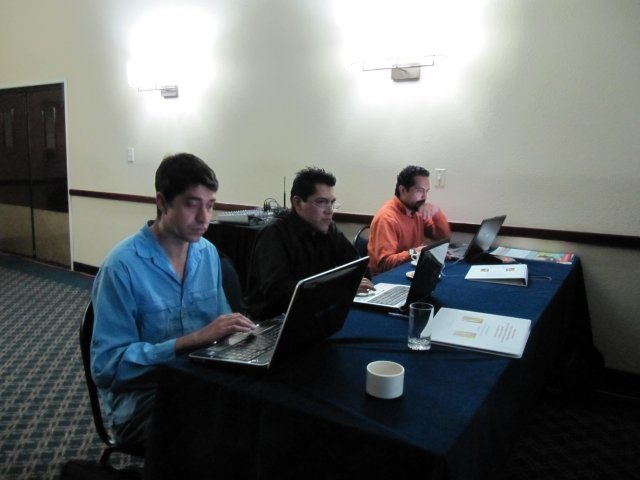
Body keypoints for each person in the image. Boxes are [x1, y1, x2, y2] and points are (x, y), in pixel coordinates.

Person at [90, 153, 255, 448]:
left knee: (263, 414)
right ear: (163, 202)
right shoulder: (122, 267)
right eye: (192, 204)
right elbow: (107, 369)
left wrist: (249, 338)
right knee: (219, 434)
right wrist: (190, 342)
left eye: (210, 205)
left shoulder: (207, 253)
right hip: (143, 401)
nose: (204, 218)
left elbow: (221, 329)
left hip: (198, 382)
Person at [245, 166, 374, 320]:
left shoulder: (329, 228)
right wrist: (340, 288)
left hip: (316, 312)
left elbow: (358, 268)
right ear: (298, 203)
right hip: (275, 321)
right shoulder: (273, 234)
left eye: (332, 203)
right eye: (322, 202)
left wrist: (346, 284)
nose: (330, 211)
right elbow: (280, 295)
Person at [368, 165, 451, 275]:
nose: (425, 197)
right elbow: (385, 264)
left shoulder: (416, 210)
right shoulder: (387, 218)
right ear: (402, 190)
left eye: (426, 191)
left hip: (411, 270)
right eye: (420, 191)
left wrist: (436, 213)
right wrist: (415, 253)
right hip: (386, 278)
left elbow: (442, 238)